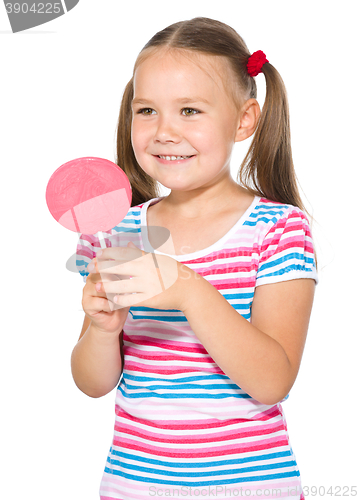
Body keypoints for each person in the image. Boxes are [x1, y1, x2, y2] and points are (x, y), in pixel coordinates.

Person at [72, 17, 317, 500]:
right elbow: (92, 383)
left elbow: (272, 381)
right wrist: (103, 330)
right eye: (146, 110)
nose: (164, 131)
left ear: (244, 119)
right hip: (132, 487)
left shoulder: (278, 228)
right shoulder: (113, 229)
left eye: (189, 110)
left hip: (252, 489)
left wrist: (186, 288)